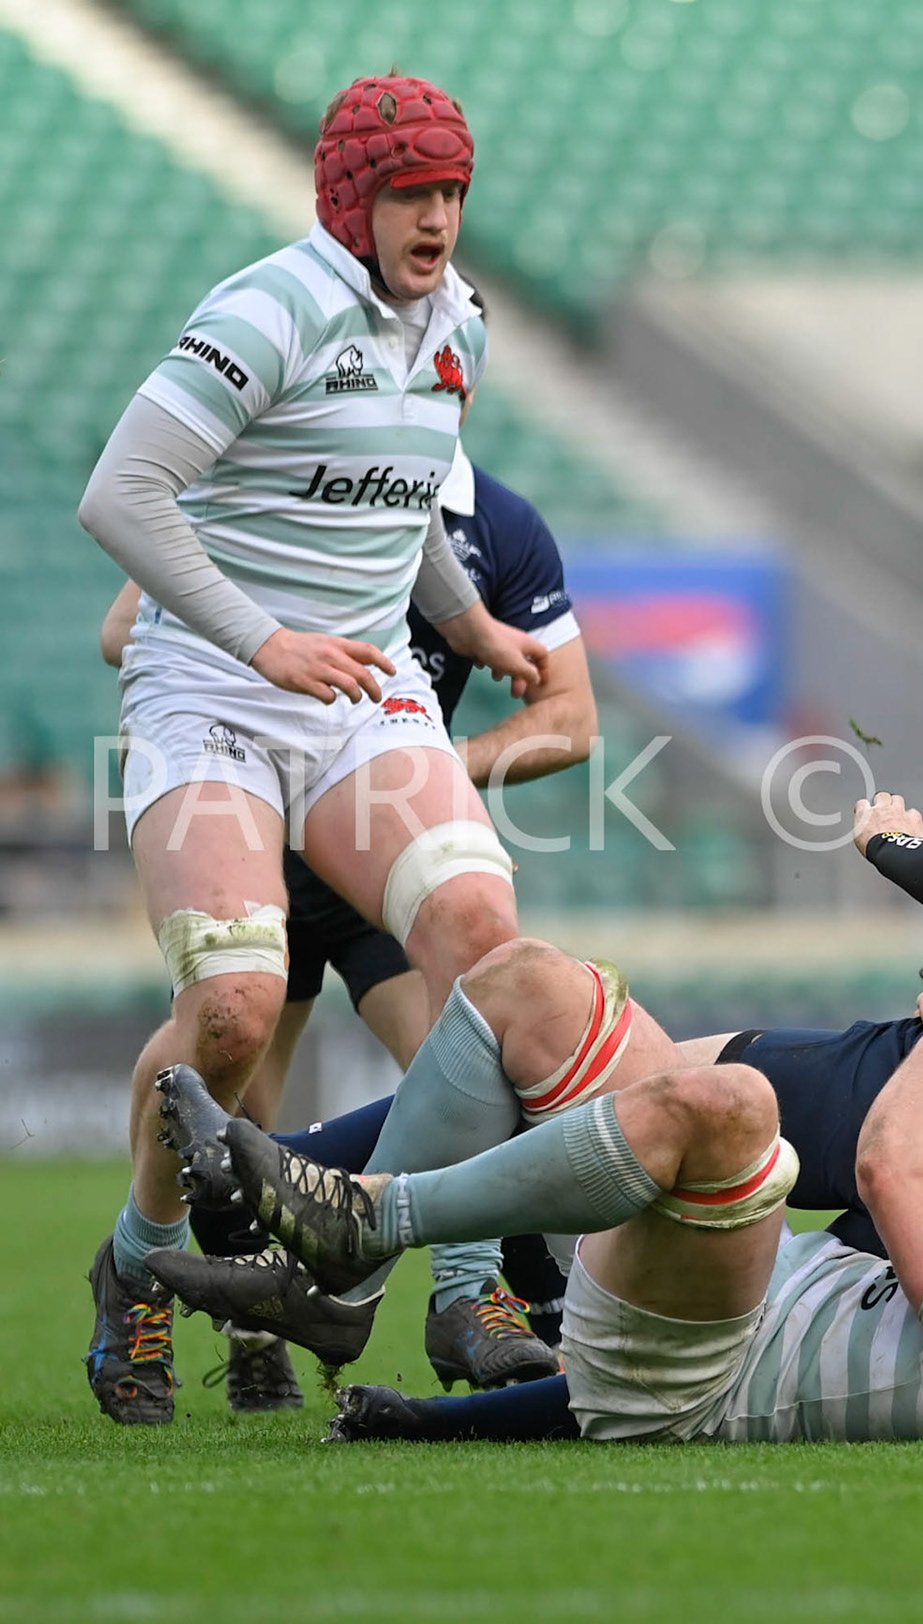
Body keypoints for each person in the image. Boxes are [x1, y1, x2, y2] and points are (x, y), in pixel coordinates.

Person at [148, 791, 923, 1438]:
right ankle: (351, 1272)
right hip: (702, 1306)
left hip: (680, 1327)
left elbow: (889, 1169)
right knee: (521, 980)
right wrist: (424, 1427)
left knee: (725, 1100)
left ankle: (351, 1230)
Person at [75, 74, 550, 1425]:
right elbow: (122, 495)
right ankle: (137, 1267)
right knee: (230, 1013)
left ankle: (468, 1283)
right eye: (413, 193)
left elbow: (398, 510)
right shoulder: (265, 307)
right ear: (352, 198)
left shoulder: (460, 322)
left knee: (481, 937)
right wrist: (261, 637)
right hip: (210, 690)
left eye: (453, 192)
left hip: (360, 691)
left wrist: (473, 626)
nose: (439, 219)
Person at [96, 425, 599, 1407]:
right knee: (227, 1071)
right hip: (247, 830)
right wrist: (260, 650)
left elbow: (571, 717)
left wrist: (427, 770)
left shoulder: (499, 524)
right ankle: (165, 1279)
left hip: (374, 843)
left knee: (461, 1051)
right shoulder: (270, 484)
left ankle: (466, 1291)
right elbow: (128, 626)